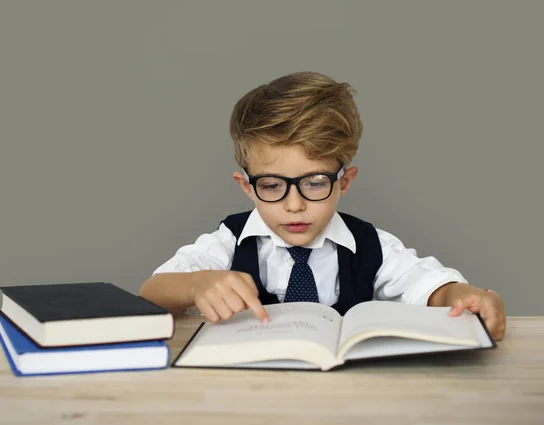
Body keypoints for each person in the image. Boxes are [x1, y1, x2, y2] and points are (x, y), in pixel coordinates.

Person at [139, 71, 506, 340]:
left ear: (343, 182)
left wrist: (464, 296)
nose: (294, 205)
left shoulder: (370, 245)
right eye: (271, 185)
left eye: (314, 183)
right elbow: (151, 292)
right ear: (247, 186)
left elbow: (428, 286)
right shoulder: (229, 241)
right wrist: (198, 285)